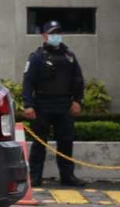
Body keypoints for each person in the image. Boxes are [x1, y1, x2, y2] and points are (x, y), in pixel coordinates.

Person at [21, 20, 87, 187]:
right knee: (39, 143)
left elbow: (78, 80)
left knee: (66, 142)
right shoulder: (37, 57)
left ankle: (67, 176)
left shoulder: (69, 57)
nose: (55, 36)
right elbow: (28, 81)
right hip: (42, 104)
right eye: (51, 33)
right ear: (44, 36)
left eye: (57, 33)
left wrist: (77, 101)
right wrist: (28, 104)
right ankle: (35, 177)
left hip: (64, 104)